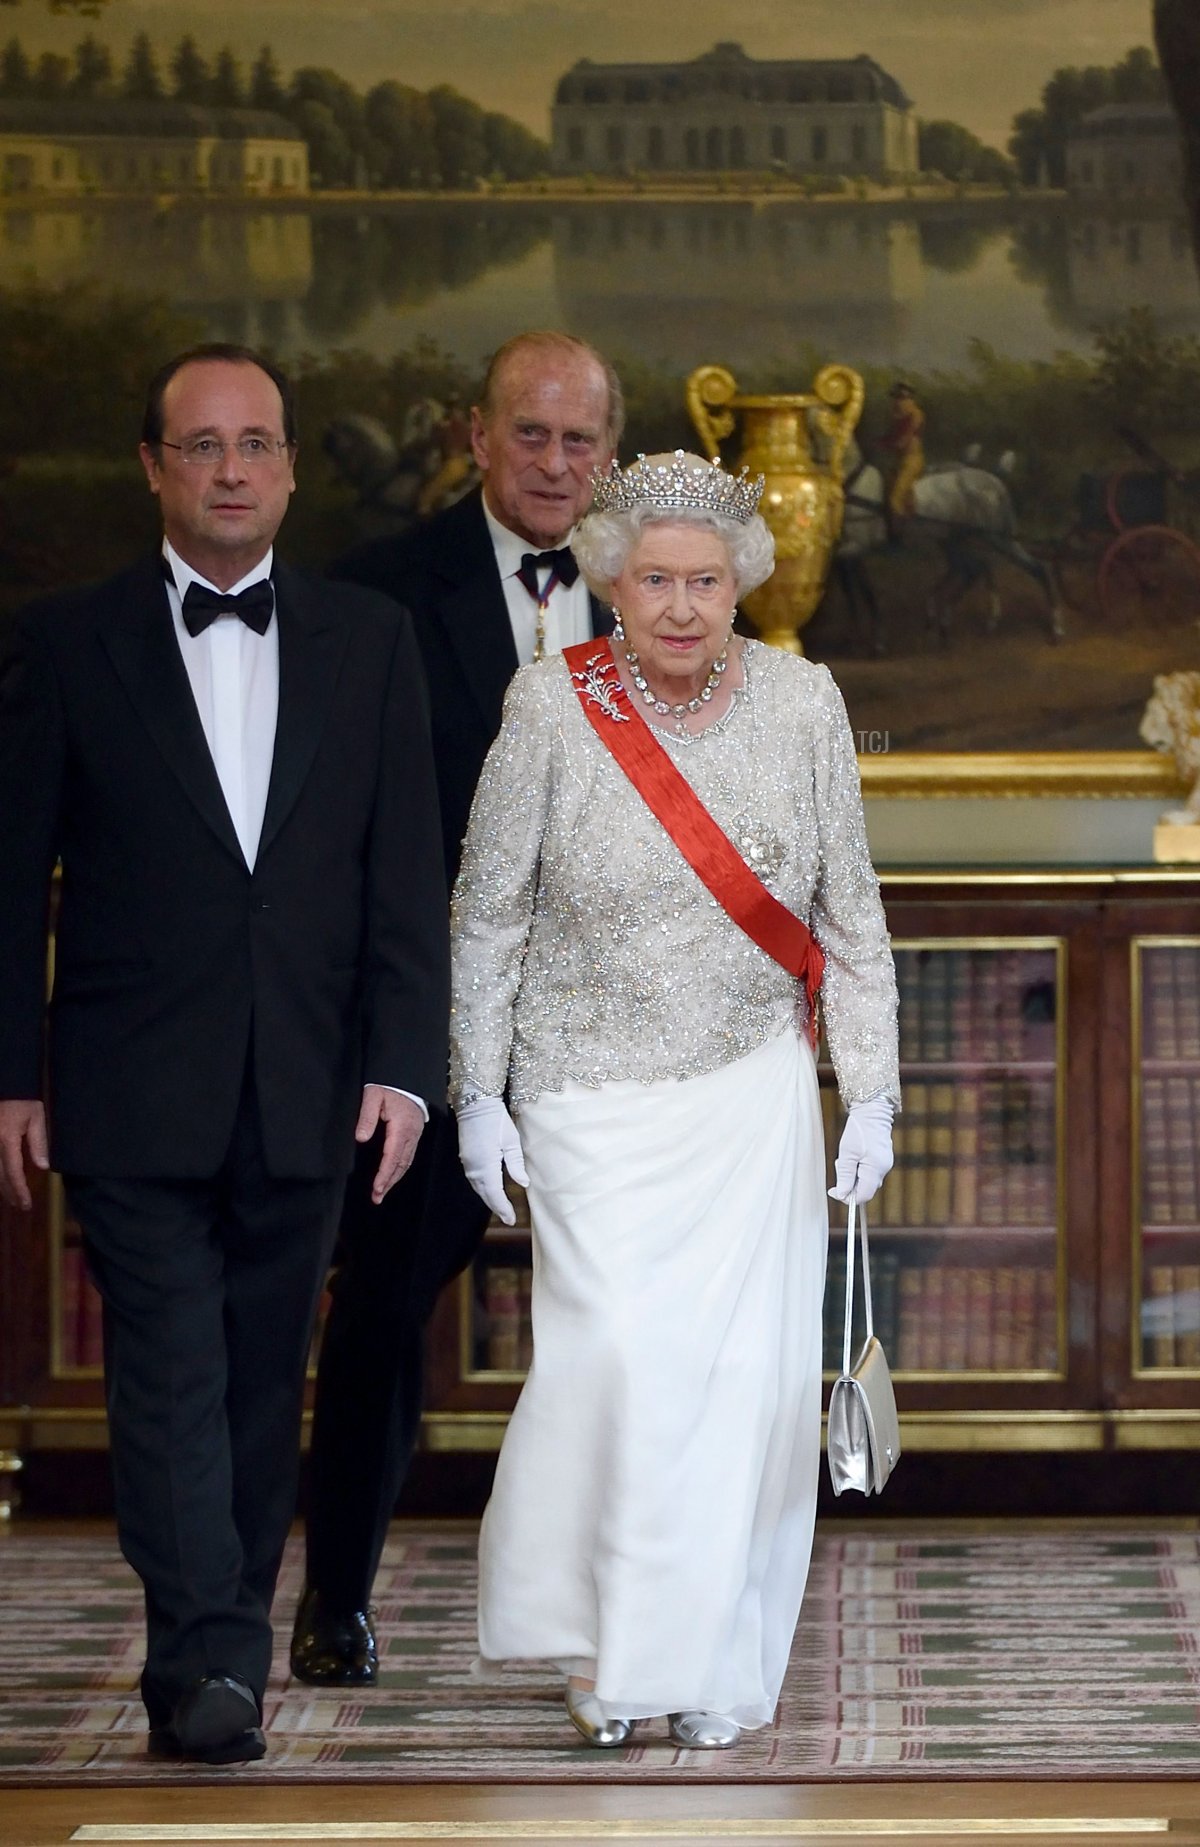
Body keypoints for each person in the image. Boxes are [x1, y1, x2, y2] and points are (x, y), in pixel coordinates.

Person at [0, 344, 449, 1764]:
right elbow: (11, 879)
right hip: (128, 1083)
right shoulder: (65, 642)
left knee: (265, 1376)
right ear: (155, 466)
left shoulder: (369, 639)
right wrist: (12, 1072)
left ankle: (225, 1646)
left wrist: (403, 1060)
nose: (233, 469)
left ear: (295, 467)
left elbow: (404, 873)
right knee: (171, 1366)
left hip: (312, 1082)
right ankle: (205, 1658)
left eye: (257, 442)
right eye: (203, 445)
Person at [449, 450, 899, 1750]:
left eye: (708, 579)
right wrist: (482, 1093)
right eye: (657, 579)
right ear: (611, 580)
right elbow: (487, 916)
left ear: (742, 582)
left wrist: (866, 1092)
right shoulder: (549, 702)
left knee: (745, 1389)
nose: (685, 605)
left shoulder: (804, 700)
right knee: (621, 1369)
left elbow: (850, 922)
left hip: (751, 1092)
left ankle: (698, 1658)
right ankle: (610, 1645)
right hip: (589, 1093)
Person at [290, 330, 622, 1686]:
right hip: (430, 1032)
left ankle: (630, 1600)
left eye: (578, 438)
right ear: (474, 437)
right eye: (527, 433)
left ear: (610, 451)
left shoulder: (659, 592)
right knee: (377, 1309)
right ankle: (337, 1596)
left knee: (631, 1318)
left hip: (614, 1038)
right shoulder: (371, 596)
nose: (553, 462)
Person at [880, 381, 925, 537]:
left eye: (902, 399)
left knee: (895, 500)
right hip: (897, 461)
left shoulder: (915, 415)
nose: (898, 402)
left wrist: (886, 444)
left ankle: (901, 536)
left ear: (910, 400)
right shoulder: (895, 416)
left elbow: (902, 441)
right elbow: (889, 437)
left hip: (911, 461)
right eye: (896, 398)